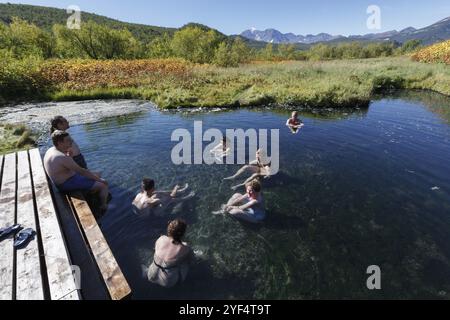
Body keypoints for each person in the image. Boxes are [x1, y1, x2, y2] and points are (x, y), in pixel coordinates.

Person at [44, 130, 110, 211]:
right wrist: (101, 180)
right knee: (103, 185)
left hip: (63, 179)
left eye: (70, 139)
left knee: (97, 173)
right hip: (65, 183)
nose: (72, 141)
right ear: (60, 142)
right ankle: (103, 205)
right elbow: (82, 171)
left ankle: (91, 191)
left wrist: (69, 156)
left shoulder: (51, 150)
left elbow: (64, 167)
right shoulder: (61, 156)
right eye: (68, 140)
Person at [147, 219, 193, 288]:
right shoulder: (184, 247)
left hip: (150, 275)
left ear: (169, 229)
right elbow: (191, 261)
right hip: (167, 282)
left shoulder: (161, 238)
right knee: (185, 263)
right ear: (183, 233)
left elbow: (155, 249)